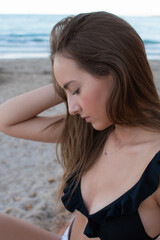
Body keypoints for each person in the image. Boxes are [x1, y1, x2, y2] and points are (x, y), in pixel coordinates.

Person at [0, 11, 160, 240]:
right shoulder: (93, 132)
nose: (71, 107)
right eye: (66, 94)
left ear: (115, 72)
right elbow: (5, 119)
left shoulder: (155, 161)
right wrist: (65, 83)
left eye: (76, 91)